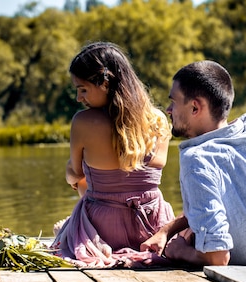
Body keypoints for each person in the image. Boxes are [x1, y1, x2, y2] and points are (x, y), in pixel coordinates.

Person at [141, 60, 246, 266]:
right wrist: (167, 229)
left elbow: (218, 257)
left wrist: (179, 251)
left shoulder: (196, 160)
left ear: (195, 107)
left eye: (173, 101)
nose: (168, 109)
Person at [50, 42, 175, 267]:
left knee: (81, 181)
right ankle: (70, 226)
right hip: (151, 227)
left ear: (105, 83)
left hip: (105, 229)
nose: (79, 98)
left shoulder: (83, 121)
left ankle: (73, 230)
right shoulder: (158, 120)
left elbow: (75, 172)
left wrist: (72, 177)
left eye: (83, 89)